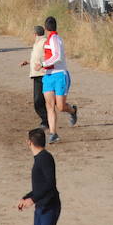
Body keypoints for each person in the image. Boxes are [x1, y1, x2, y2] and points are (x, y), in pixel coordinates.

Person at [17, 128, 61, 225]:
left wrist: (32, 199)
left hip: (49, 206)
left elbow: (50, 184)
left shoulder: (45, 158)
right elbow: (41, 186)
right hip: (41, 206)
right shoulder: (41, 158)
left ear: (29, 142)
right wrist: (26, 197)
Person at [41, 16, 77, 144]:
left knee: (61, 107)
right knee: (50, 106)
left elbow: (57, 56)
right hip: (48, 76)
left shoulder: (55, 39)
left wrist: (43, 64)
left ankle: (73, 110)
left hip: (60, 75)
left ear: (46, 28)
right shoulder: (49, 39)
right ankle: (53, 133)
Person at [21, 26, 49, 129]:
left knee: (39, 101)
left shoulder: (44, 42)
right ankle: (46, 121)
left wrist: (43, 65)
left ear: (35, 34)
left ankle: (46, 121)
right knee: (40, 101)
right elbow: (38, 57)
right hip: (37, 75)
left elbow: (48, 56)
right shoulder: (37, 43)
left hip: (43, 74)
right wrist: (29, 62)